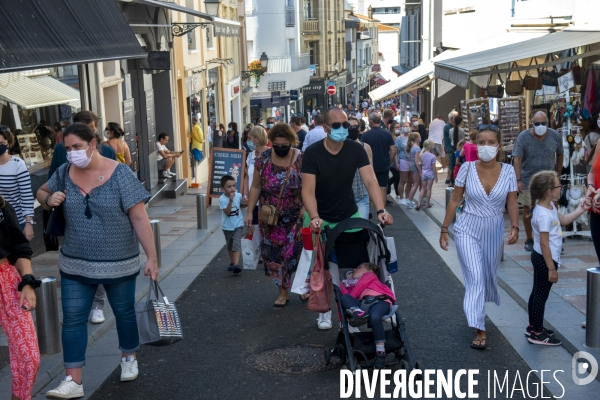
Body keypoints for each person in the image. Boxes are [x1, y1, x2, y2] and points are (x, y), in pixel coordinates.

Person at [37, 123, 158, 397]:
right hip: (75, 263)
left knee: (124, 313)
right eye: (67, 149)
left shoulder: (121, 174)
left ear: (93, 144)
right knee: (73, 320)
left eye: (76, 147)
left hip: (119, 262)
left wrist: (152, 257)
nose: (71, 153)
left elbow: (139, 217)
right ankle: (73, 380)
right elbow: (41, 192)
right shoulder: (64, 173)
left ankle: (128, 358)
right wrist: (48, 199)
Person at [302, 107, 393, 329]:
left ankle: (351, 312)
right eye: (337, 126)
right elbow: (307, 190)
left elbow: (371, 180)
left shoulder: (355, 149)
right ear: (325, 128)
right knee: (321, 269)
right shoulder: (313, 153)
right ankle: (324, 312)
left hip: (347, 214)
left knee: (350, 267)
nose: (343, 129)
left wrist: (380, 209)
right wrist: (314, 216)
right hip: (319, 218)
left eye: (346, 125)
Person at [440, 125, 519, 349]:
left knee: (486, 276)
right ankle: (479, 327)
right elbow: (455, 200)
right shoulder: (466, 168)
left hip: (494, 228)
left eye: (490, 142)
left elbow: (512, 202)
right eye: (481, 142)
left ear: (499, 146)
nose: (485, 146)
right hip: (467, 226)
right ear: (475, 145)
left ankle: (478, 309)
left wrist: (515, 226)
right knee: (475, 277)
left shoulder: (508, 171)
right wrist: (444, 228)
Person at [526, 171, 590, 346]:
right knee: (541, 295)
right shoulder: (544, 215)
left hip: (542, 256)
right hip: (545, 258)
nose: (560, 188)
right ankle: (537, 333)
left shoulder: (549, 207)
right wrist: (552, 269)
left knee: (537, 292)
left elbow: (563, 220)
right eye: (558, 186)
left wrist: (582, 208)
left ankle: (533, 325)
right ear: (548, 191)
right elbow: (545, 244)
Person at [245, 124, 304, 307]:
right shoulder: (263, 158)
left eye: (284, 145)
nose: (280, 148)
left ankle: (302, 286)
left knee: (296, 253)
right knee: (275, 256)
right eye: (276, 145)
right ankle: (282, 291)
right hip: (270, 217)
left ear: (291, 142)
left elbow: (310, 186)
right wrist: (249, 212)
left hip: (296, 215)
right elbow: (256, 186)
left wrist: (307, 209)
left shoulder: (301, 158)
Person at [0, 195, 40, 400]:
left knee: (29, 358)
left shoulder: (1, 205)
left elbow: (19, 246)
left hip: (6, 277)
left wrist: (27, 281)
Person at [512, 111, 564, 252]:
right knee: (528, 210)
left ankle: (554, 238)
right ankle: (530, 238)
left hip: (549, 182)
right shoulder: (523, 137)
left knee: (553, 209)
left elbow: (560, 154)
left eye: (543, 123)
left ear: (547, 123)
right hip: (528, 180)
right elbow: (517, 159)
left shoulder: (555, 136)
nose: (541, 126)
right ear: (532, 124)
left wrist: (558, 174)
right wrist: (518, 180)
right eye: (537, 123)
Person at [340, 262, 395, 369]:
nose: (355, 269)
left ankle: (380, 352)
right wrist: (342, 285)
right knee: (344, 298)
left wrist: (350, 282)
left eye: (359, 267)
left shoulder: (370, 276)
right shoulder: (355, 284)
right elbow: (345, 294)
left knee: (375, 317)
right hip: (363, 303)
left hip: (379, 300)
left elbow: (356, 290)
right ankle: (357, 312)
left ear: (370, 271)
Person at [48, 111, 117, 182]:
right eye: (82, 132)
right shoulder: (60, 148)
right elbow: (51, 179)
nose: (87, 135)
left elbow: (115, 181)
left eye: (91, 131)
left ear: (96, 129)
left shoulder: (109, 152)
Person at [0, 126, 35, 240]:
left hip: (15, 222)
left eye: (1, 143)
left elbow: (26, 196)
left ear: (8, 143)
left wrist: (28, 223)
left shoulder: (17, 164)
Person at [361, 113, 397, 207]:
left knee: (369, 187)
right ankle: (382, 211)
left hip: (369, 165)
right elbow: (393, 151)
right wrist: (389, 161)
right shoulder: (387, 134)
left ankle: (368, 212)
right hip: (383, 164)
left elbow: (362, 150)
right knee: (382, 188)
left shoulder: (365, 135)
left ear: (371, 121)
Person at [220, 175, 246, 274]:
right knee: (230, 245)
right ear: (223, 189)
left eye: (234, 186)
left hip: (238, 224)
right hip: (227, 226)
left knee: (237, 243)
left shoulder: (238, 195)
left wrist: (245, 203)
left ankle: (236, 264)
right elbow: (227, 212)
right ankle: (232, 262)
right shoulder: (222, 199)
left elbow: (241, 206)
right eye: (229, 187)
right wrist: (230, 200)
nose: (232, 189)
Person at [348, 116, 373, 219]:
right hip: (344, 197)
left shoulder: (365, 147)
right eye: (349, 126)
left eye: (355, 126)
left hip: (362, 195)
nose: (352, 128)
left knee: (362, 227)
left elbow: (371, 173)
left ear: (359, 128)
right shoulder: (339, 147)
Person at [416, 139, 437, 210]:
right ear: (430, 147)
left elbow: (421, 164)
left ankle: (419, 203)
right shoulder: (433, 156)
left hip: (424, 173)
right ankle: (427, 204)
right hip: (430, 173)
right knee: (429, 189)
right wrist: (436, 176)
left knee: (423, 188)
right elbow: (433, 167)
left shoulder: (421, 155)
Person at [396, 122, 413, 205]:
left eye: (407, 126)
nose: (405, 127)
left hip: (412, 161)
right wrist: (396, 163)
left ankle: (407, 197)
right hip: (403, 160)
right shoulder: (399, 139)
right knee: (403, 180)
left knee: (410, 181)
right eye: (404, 126)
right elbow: (396, 152)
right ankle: (401, 198)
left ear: (410, 127)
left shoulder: (413, 137)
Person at [404, 132, 421, 209]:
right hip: (415, 166)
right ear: (417, 138)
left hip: (411, 165)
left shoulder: (411, 147)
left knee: (414, 183)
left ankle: (409, 199)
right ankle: (409, 200)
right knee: (416, 184)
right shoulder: (417, 148)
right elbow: (417, 161)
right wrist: (420, 170)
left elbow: (410, 157)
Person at [387, 121, 401, 200]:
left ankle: (387, 183)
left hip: (399, 159)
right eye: (396, 127)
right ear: (392, 128)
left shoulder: (400, 136)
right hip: (393, 159)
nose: (398, 129)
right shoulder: (391, 137)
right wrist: (395, 163)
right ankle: (397, 193)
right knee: (397, 177)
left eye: (399, 127)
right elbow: (393, 151)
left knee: (397, 177)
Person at [444, 111, 458, 185]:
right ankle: (450, 180)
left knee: (451, 164)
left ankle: (449, 178)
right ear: (452, 118)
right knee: (451, 164)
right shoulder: (448, 127)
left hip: (452, 147)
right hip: (450, 148)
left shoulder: (451, 126)